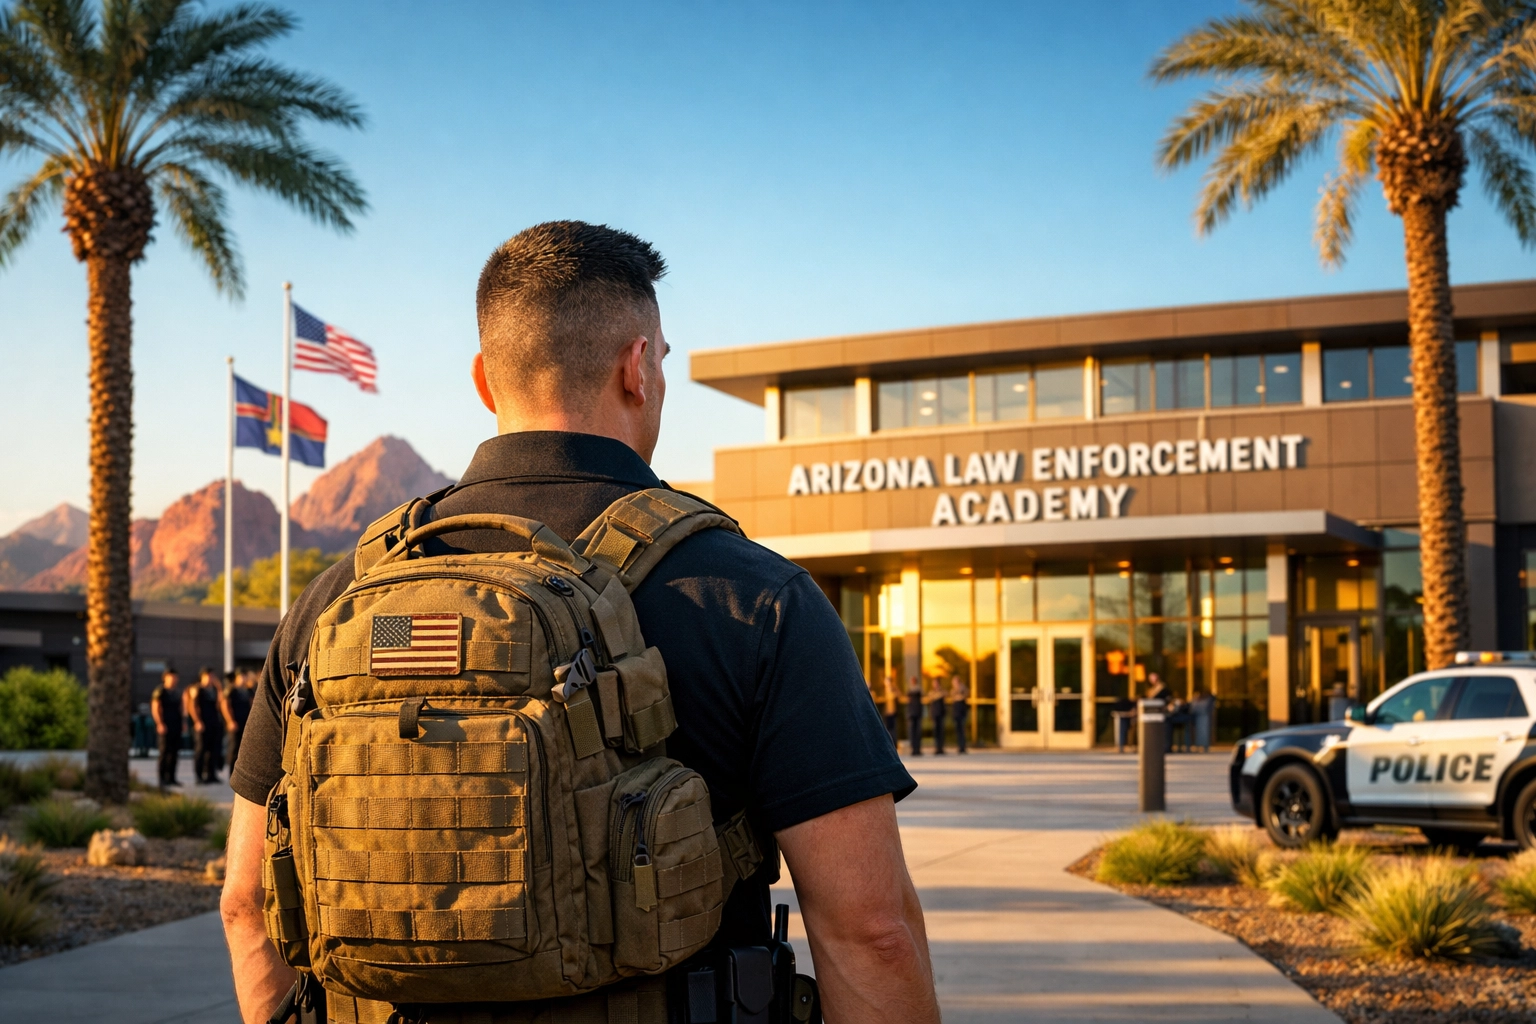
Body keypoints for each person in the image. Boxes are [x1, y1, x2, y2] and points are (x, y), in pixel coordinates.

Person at [220, 222, 940, 1024]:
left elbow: (246, 905)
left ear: (485, 382)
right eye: (661, 358)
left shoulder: (336, 601)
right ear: (638, 368)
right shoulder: (754, 597)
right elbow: (870, 933)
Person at [189, 667, 225, 783]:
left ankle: (211, 775)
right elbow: (192, 706)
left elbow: (220, 702)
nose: (210, 678)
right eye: (208, 676)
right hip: (202, 723)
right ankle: (199, 776)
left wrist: (219, 687)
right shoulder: (198, 689)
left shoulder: (214, 689)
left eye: (212, 676)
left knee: (213, 750)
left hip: (213, 722)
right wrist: (197, 721)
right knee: (201, 750)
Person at [149, 667, 182, 788]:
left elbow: (180, 708)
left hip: (176, 725)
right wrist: (159, 723)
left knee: (174, 752)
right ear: (165, 678)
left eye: (175, 677)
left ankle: (172, 778)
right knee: (164, 752)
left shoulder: (177, 692)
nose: (173, 679)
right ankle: (162, 779)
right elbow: (155, 708)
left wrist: (182, 723)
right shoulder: (160, 691)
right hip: (165, 725)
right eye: (171, 677)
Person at [221, 669, 254, 774]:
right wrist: (230, 721)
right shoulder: (232, 690)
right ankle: (232, 773)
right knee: (234, 749)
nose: (243, 679)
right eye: (241, 677)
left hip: (245, 723)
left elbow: (253, 705)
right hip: (235, 724)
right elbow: (225, 705)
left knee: (245, 750)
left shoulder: (248, 691)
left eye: (244, 676)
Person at [948, 673, 970, 754]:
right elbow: (954, 697)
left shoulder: (963, 688)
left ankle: (963, 747)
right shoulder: (953, 690)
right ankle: (959, 746)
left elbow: (963, 696)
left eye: (955, 682)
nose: (954, 684)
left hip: (962, 712)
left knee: (962, 730)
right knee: (958, 730)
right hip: (956, 712)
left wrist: (959, 695)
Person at [905, 673, 926, 756]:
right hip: (913, 712)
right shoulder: (911, 690)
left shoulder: (918, 689)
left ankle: (917, 748)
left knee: (917, 731)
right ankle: (914, 749)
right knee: (913, 731)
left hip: (916, 711)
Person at [927, 675, 947, 755]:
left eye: (935, 683)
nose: (934, 684)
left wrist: (938, 694)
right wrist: (938, 695)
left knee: (941, 731)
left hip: (941, 713)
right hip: (934, 713)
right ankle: (936, 748)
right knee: (935, 731)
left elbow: (945, 694)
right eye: (933, 683)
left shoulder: (942, 691)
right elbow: (930, 696)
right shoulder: (932, 692)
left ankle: (941, 748)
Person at [880, 670, 900, 747]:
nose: (886, 683)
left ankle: (894, 744)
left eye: (887, 681)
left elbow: (898, 695)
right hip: (886, 713)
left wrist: (893, 689)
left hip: (893, 712)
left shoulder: (894, 689)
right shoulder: (884, 691)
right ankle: (888, 744)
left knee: (893, 729)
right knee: (887, 729)